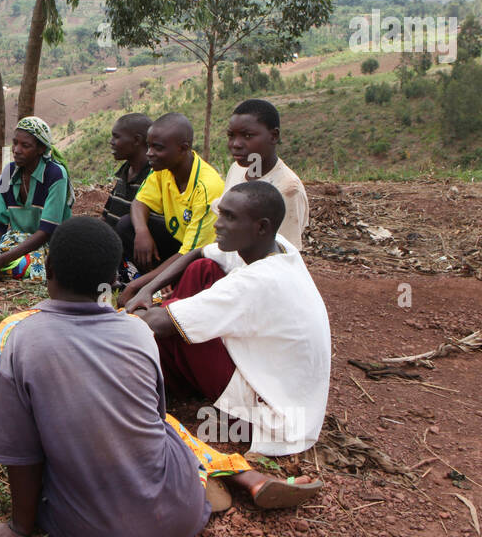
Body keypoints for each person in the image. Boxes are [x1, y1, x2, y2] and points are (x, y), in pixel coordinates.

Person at [0, 216, 322, 537]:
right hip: (182, 514)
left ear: (49, 271)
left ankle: (212, 479)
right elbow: (153, 418)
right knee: (163, 425)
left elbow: (21, 455)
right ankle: (225, 477)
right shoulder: (138, 332)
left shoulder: (15, 337)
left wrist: (18, 527)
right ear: (110, 281)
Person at [126, 181, 331, 457]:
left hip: (272, 416)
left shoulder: (255, 282)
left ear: (261, 226)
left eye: (230, 218)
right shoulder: (277, 246)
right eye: (220, 213)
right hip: (286, 387)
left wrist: (130, 314)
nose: (218, 224)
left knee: (165, 334)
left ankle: (143, 388)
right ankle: (178, 377)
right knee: (203, 269)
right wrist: (147, 290)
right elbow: (198, 252)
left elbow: (158, 324)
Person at [117, 113, 224, 300]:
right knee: (127, 225)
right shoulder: (163, 169)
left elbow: (192, 253)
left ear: (183, 148)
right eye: (149, 146)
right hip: (179, 243)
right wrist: (142, 232)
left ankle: (156, 284)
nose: (149, 153)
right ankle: (158, 280)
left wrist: (136, 287)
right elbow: (140, 202)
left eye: (157, 148)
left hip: (201, 254)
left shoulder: (206, 187)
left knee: (194, 268)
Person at [0, 116, 73, 283]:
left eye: (25, 145)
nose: (16, 150)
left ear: (41, 148)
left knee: (23, 265)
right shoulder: (9, 172)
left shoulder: (55, 175)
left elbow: (46, 232)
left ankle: (1, 268)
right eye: (15, 143)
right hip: (14, 244)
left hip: (47, 247)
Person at [218, 98, 309, 250]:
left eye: (247, 136)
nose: (236, 144)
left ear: (273, 136)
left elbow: (285, 254)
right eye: (231, 135)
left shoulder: (287, 189)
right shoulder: (237, 169)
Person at [101, 113, 152, 231]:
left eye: (116, 137)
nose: (111, 142)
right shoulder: (124, 171)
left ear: (136, 140)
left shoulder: (153, 177)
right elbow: (106, 217)